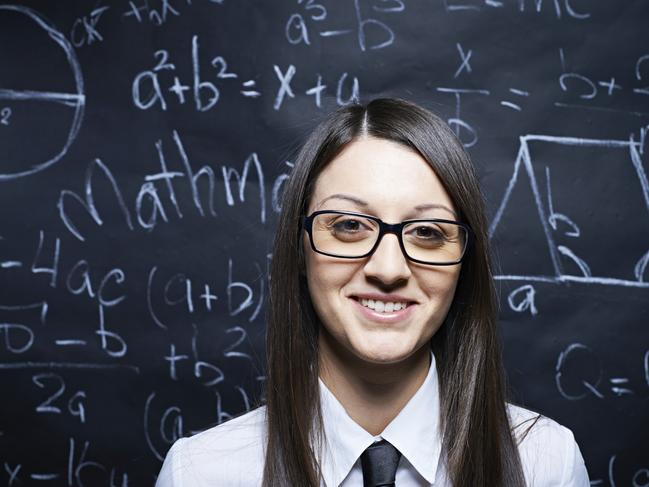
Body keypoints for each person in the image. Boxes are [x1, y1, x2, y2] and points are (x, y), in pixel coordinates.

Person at [155, 98, 590, 486]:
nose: (388, 269)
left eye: (427, 232)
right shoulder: (201, 473)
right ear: (299, 247)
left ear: (465, 264)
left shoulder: (544, 465)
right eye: (348, 226)